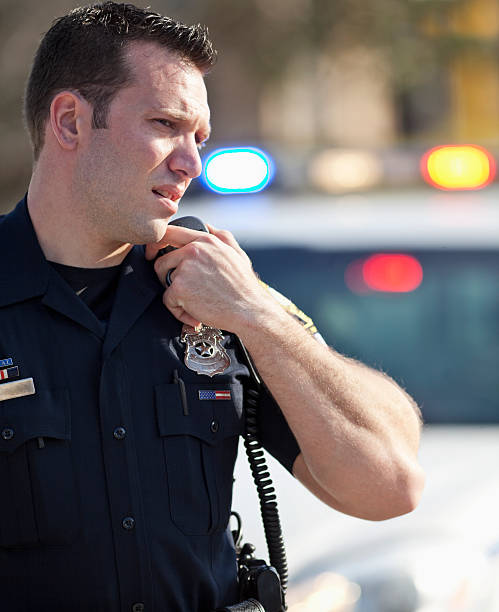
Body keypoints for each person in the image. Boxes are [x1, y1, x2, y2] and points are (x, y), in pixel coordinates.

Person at [0, 2, 424, 610]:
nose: (190, 163)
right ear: (69, 121)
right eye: (165, 124)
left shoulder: (220, 294)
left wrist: (257, 314)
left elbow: (390, 483)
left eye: (199, 138)